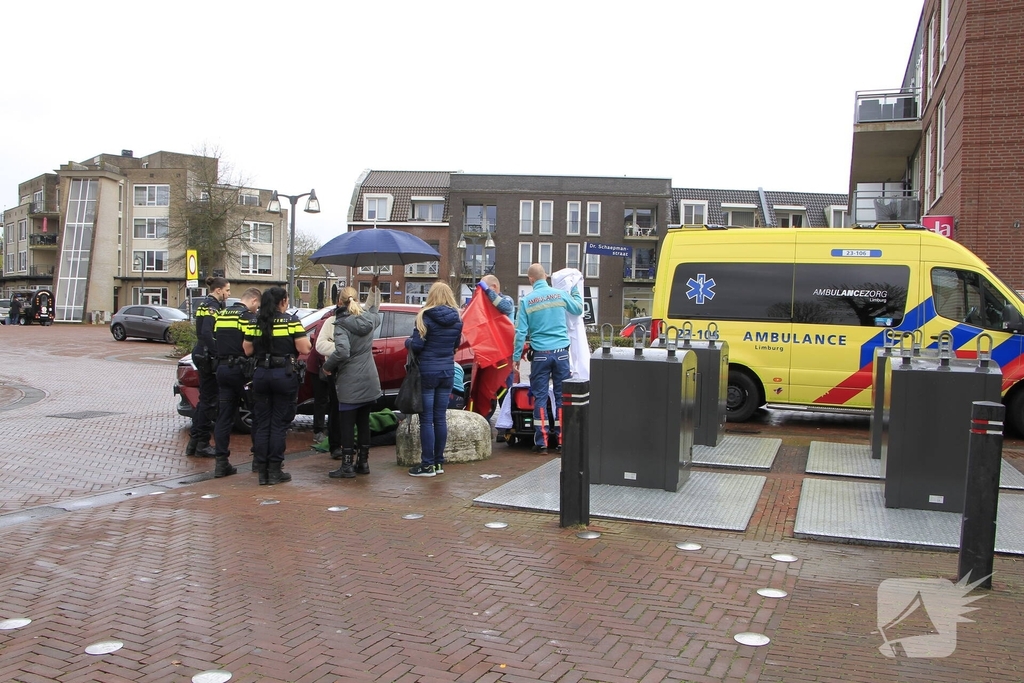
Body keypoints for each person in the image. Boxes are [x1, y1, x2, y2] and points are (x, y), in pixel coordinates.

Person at [243, 286, 311, 485]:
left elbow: (247, 350)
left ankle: (262, 471)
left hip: (261, 375)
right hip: (283, 375)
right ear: (282, 301)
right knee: (279, 424)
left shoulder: (256, 321)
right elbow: (304, 347)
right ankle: (275, 470)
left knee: (263, 423)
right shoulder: (291, 321)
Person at [513, 263, 583, 454]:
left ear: (531, 279)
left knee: (540, 398)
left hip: (541, 355)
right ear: (546, 276)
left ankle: (542, 442)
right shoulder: (560, 295)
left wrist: (516, 356)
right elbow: (578, 309)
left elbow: (520, 332)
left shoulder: (527, 301)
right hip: (561, 353)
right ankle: (562, 441)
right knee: (562, 398)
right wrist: (575, 288)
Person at [322, 277, 383, 479]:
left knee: (347, 422)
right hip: (369, 378)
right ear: (356, 300)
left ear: (339, 302)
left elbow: (342, 352)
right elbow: (374, 309)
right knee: (364, 421)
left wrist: (327, 367)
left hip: (350, 380)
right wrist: (375, 289)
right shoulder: (369, 320)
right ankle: (363, 462)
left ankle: (347, 465)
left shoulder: (341, 324)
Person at [405, 281, 463, 477]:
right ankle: (439, 463)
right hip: (447, 372)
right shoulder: (457, 319)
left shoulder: (424, 316)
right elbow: (456, 345)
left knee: (426, 420)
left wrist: (408, 342)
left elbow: (417, 345)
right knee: (440, 419)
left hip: (428, 372)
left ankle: (427, 464)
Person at [211, 287, 261, 478]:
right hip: (243, 372)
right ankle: (257, 460)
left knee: (224, 417)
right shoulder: (247, 317)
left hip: (222, 369)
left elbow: (215, 340)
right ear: (254, 301)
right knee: (256, 412)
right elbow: (250, 347)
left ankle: (221, 462)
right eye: (258, 306)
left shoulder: (222, 315)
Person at [186, 276, 231, 457]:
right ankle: (201, 443)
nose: (228, 294)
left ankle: (195, 441)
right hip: (207, 356)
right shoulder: (212, 306)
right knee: (209, 401)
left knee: (205, 400)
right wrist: (217, 351)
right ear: (218, 290)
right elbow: (206, 332)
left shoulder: (206, 304)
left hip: (201, 353)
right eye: (227, 290)